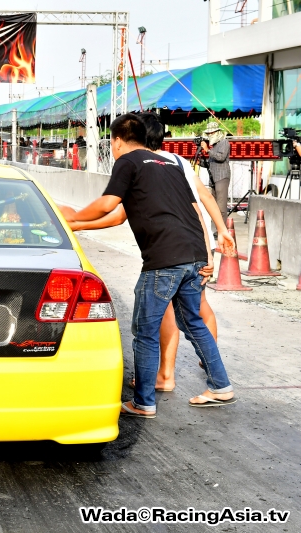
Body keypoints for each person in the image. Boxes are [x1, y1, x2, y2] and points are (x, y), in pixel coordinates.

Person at [61, 113, 236, 418]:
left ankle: (142, 402)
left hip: (164, 260)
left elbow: (107, 205)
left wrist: (71, 219)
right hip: (194, 254)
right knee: (193, 321)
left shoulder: (128, 162)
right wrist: (209, 250)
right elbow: (193, 208)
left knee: (145, 331)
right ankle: (221, 386)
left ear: (116, 141)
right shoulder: (170, 164)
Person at [200, 121, 231, 235]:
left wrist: (208, 150)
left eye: (211, 133)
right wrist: (200, 162)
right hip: (213, 178)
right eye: (208, 134)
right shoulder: (214, 146)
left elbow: (221, 157)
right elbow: (211, 163)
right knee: (214, 206)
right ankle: (216, 229)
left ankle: (221, 230)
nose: (209, 135)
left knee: (221, 205)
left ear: (217, 132)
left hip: (222, 177)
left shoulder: (224, 142)